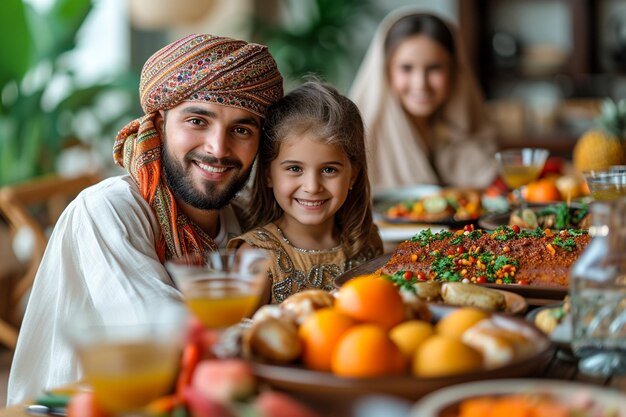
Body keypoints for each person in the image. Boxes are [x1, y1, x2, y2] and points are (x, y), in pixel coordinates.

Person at [7, 33, 283, 405]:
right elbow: (163, 336)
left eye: (241, 129)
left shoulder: (243, 216)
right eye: (198, 121)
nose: (218, 148)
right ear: (158, 122)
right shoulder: (106, 210)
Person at [228, 80, 384, 304]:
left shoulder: (366, 241)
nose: (312, 186)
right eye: (294, 169)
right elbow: (237, 333)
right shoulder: (256, 257)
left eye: (329, 170)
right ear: (268, 174)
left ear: (353, 175)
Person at [350, 9, 498, 191]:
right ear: (386, 71)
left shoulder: (467, 130)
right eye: (406, 68)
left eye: (434, 68)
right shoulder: (358, 139)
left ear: (454, 70)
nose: (420, 84)